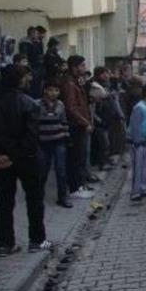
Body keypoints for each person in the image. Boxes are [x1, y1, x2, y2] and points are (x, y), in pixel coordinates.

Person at [0, 65, 51, 256]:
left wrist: (0, 155)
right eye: (25, 77)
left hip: (2, 160)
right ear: (18, 80)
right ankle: (37, 240)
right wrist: (15, 155)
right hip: (27, 158)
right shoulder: (29, 104)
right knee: (34, 200)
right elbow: (31, 136)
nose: (29, 80)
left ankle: (5, 244)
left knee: (5, 201)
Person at [61, 56, 94, 199]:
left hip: (79, 124)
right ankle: (75, 188)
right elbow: (71, 107)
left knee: (80, 156)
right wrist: (85, 122)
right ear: (74, 67)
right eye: (82, 65)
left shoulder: (75, 82)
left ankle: (79, 185)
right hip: (75, 126)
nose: (84, 68)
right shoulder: (69, 84)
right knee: (75, 157)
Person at [36, 81, 72, 208]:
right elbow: (34, 124)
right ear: (45, 90)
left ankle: (62, 197)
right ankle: (37, 197)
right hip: (43, 142)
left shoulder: (60, 104)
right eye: (51, 90)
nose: (54, 93)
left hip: (59, 141)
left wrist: (67, 137)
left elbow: (64, 122)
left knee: (61, 170)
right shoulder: (37, 104)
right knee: (42, 170)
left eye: (56, 90)